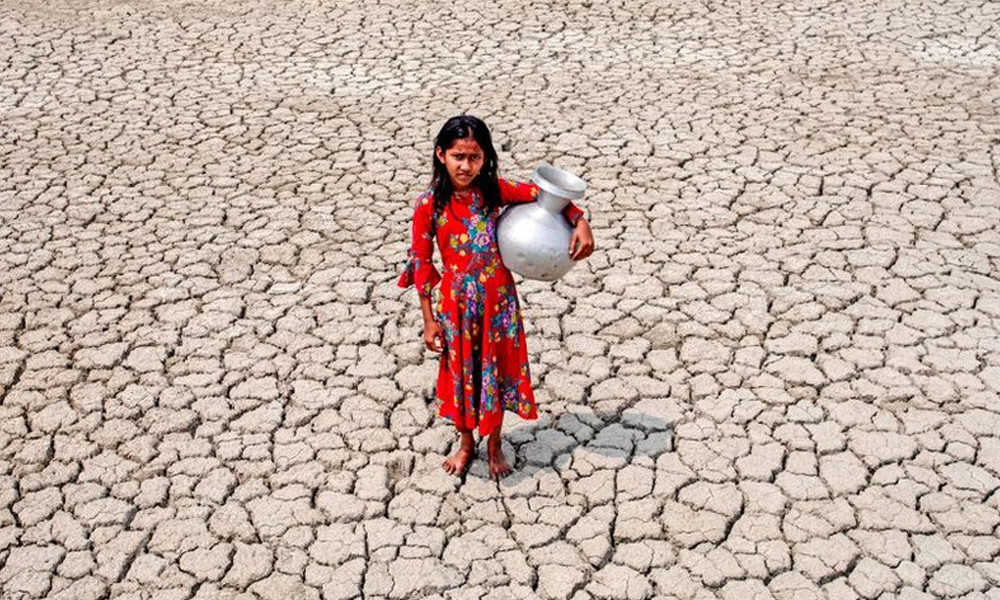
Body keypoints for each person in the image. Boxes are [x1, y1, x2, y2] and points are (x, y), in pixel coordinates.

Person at [398, 115, 595, 479]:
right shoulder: (429, 205)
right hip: (455, 306)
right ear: (441, 154)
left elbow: (544, 196)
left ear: (486, 158)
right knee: (462, 375)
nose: (466, 165)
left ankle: (494, 444)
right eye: (458, 156)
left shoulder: (494, 191)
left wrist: (579, 219)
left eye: (475, 157)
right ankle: (466, 443)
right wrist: (428, 320)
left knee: (494, 372)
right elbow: (421, 265)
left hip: (497, 303)